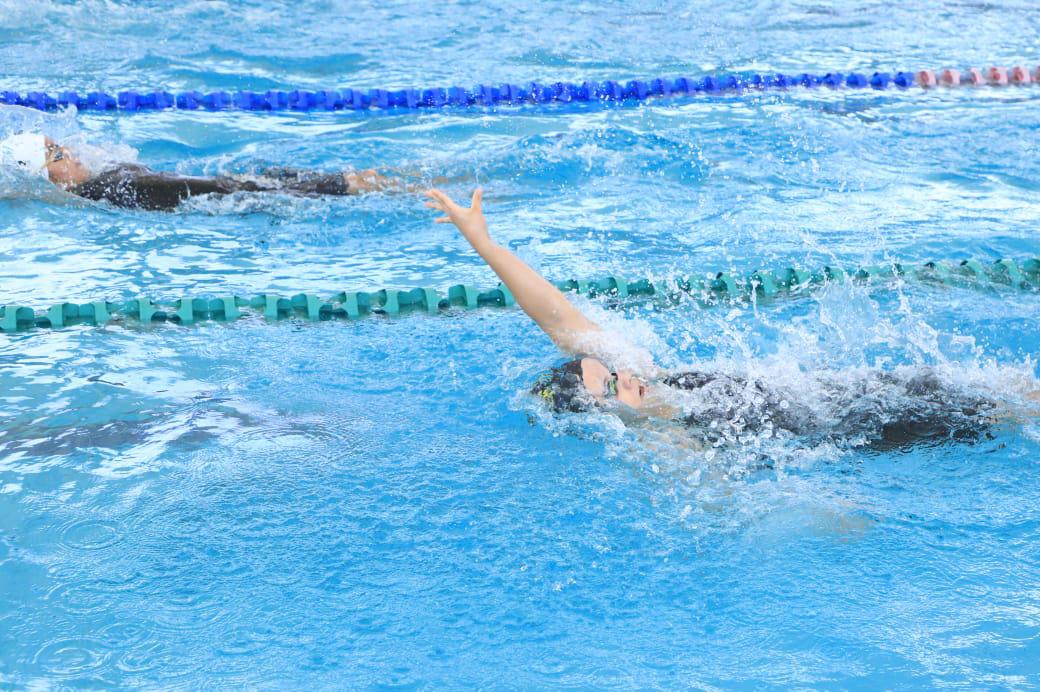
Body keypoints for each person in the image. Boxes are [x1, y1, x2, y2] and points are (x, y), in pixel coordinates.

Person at [424, 187, 1030, 451]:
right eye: (607, 386)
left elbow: (561, 322)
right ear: (601, 416)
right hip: (870, 429)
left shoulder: (647, 375)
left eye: (606, 370)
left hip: (849, 390)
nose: (619, 377)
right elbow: (720, 506)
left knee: (1008, 387)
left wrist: (483, 242)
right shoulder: (663, 439)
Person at [0, 132, 392, 211]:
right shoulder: (114, 189)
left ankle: (352, 182)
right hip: (205, 195)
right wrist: (335, 186)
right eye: (56, 155)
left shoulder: (102, 179)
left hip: (202, 189)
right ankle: (349, 184)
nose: (69, 151)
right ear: (51, 177)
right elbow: (214, 188)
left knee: (261, 176)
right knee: (245, 186)